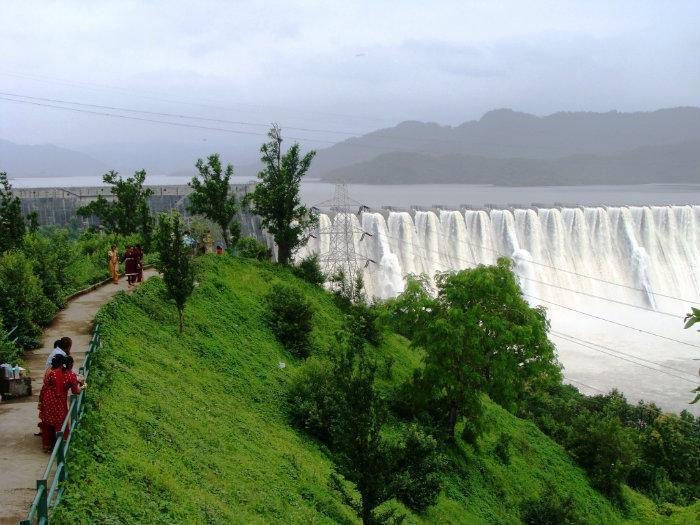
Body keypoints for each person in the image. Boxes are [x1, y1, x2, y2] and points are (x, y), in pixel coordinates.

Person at [38, 355, 73, 451]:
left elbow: (45, 386)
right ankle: (61, 447)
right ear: (62, 364)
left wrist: (41, 400)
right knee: (59, 423)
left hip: (46, 399)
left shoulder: (49, 371)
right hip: (57, 401)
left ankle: (47, 446)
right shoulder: (62, 374)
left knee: (47, 423)